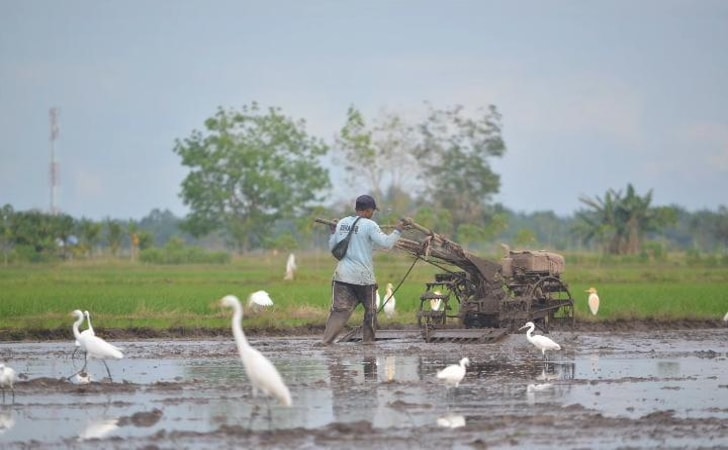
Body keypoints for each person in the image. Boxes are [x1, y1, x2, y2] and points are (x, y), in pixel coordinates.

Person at [322, 194, 406, 345]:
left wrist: (333, 232)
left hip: (342, 277)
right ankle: (368, 344)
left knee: (339, 312)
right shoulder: (370, 225)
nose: (372, 214)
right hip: (364, 278)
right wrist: (398, 231)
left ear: (356, 209)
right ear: (368, 211)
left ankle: (326, 341)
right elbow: (386, 244)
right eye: (372, 211)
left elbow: (333, 248)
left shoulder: (342, 223)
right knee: (370, 312)